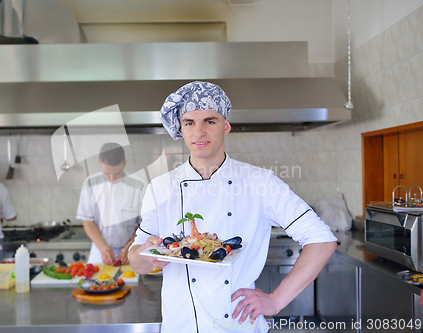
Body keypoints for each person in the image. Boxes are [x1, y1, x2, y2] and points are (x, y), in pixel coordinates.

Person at [128, 81, 337, 332]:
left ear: (225, 126)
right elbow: (135, 261)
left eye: (210, 121)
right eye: (189, 123)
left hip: (238, 325)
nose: (199, 132)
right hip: (180, 325)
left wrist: (276, 300)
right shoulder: (160, 188)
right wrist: (149, 256)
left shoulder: (260, 181)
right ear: (181, 129)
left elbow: (322, 240)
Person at [77, 142, 146, 265]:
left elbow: (144, 223)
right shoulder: (90, 183)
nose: (112, 178)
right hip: (100, 250)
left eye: (117, 173)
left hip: (131, 249)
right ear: (99, 164)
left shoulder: (139, 185)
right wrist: (103, 248)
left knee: (132, 283)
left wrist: (130, 246)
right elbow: (87, 221)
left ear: (125, 163)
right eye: (107, 173)